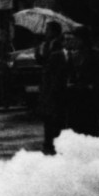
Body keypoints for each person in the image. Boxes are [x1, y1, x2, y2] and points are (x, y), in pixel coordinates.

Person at [62, 27, 99, 139]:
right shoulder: (73, 56)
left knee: (90, 126)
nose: (73, 42)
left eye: (76, 39)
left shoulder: (94, 54)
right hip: (75, 95)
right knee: (75, 126)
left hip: (89, 95)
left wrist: (92, 85)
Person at [37, 21, 69, 155]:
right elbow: (42, 61)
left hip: (54, 88)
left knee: (54, 118)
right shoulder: (47, 45)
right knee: (48, 118)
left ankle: (53, 144)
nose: (46, 32)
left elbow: (52, 66)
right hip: (47, 87)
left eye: (48, 30)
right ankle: (48, 143)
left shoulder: (58, 47)